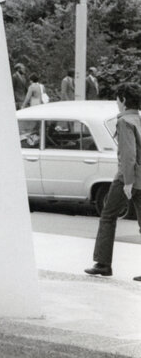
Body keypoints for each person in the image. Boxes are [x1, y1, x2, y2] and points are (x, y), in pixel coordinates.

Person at [84, 82, 141, 280]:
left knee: (108, 216)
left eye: (117, 99)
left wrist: (127, 182)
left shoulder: (124, 121)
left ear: (123, 100)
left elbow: (128, 155)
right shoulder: (139, 119)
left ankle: (103, 263)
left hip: (127, 178)